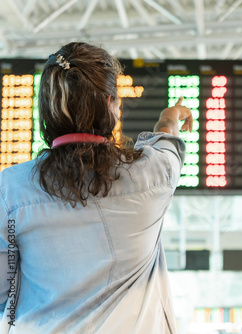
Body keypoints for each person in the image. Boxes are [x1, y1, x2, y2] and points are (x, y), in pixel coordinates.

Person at [0, 42, 192, 333]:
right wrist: (170, 116)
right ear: (113, 104)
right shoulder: (154, 174)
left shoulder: (10, 189)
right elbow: (166, 141)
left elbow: (4, 288)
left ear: (46, 109)